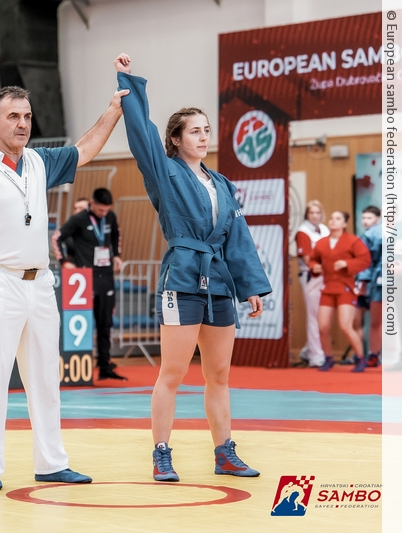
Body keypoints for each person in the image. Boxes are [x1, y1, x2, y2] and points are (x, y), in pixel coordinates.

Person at [0, 79, 130, 489]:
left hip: (40, 282)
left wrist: (113, 111)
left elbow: (84, 149)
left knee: (46, 377)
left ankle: (51, 462)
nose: (22, 124)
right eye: (13, 116)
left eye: (27, 116)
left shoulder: (38, 160)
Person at [115, 53, 272, 482]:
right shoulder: (163, 171)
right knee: (173, 373)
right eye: (195, 131)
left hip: (219, 281)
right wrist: (128, 82)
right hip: (182, 277)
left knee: (218, 374)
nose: (203, 137)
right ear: (176, 138)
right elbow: (141, 133)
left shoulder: (222, 184)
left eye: (206, 130)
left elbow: (238, 238)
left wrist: (250, 286)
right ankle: (161, 453)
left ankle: (225, 453)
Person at [55, 188, 125, 380]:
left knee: (106, 323)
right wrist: (64, 262)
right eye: (100, 210)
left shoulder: (110, 217)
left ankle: (105, 366)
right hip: (84, 278)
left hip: (106, 276)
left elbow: (116, 235)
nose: (103, 213)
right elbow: (56, 237)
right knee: (83, 322)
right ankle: (79, 368)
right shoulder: (79, 219)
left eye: (106, 210)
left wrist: (117, 255)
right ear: (91, 203)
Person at [310, 211, 372, 372]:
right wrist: (314, 267)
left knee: (345, 326)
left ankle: (360, 358)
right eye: (331, 218)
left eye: (337, 219)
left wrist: (347, 264)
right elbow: (313, 259)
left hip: (345, 287)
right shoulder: (322, 243)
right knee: (323, 326)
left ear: (344, 224)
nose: (333, 221)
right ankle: (328, 358)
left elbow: (365, 260)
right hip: (328, 288)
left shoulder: (352, 241)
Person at [294, 200, 330, 367]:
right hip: (311, 275)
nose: (315, 216)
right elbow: (308, 259)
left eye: (317, 212)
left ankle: (308, 350)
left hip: (327, 275)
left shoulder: (324, 229)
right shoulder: (303, 231)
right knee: (314, 315)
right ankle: (316, 356)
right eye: (311, 213)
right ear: (306, 215)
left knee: (323, 316)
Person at [355, 206, 383, 367]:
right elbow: (366, 261)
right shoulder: (370, 234)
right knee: (377, 321)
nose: (366, 221)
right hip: (379, 281)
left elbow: (366, 262)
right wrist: (364, 280)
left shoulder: (371, 234)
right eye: (364, 218)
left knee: (378, 321)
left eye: (369, 218)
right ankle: (374, 355)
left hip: (385, 280)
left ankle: (375, 355)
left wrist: (363, 281)